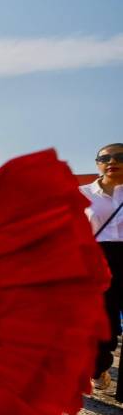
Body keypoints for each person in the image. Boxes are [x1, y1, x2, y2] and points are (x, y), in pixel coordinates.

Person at [81, 143, 123, 400]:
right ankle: (98, 369)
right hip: (98, 261)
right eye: (105, 157)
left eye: (119, 156)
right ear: (97, 163)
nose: (112, 161)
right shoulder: (82, 193)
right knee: (102, 330)